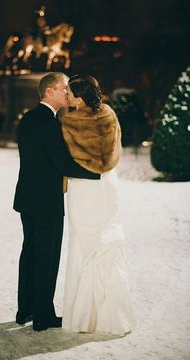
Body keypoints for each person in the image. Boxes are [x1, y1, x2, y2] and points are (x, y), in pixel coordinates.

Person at [13, 72, 100, 332]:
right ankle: (43, 316)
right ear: (49, 91)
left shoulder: (29, 118)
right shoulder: (48, 123)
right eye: (63, 88)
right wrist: (96, 170)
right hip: (45, 202)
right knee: (46, 258)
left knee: (30, 254)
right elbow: (62, 162)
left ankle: (25, 308)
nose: (67, 92)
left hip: (28, 198)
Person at [61, 75, 136, 334]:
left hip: (84, 187)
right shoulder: (108, 114)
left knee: (83, 243)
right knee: (106, 241)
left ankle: (83, 316)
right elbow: (115, 150)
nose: (66, 97)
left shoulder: (69, 120)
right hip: (106, 183)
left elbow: (65, 159)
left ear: (80, 98)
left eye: (69, 93)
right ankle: (112, 314)